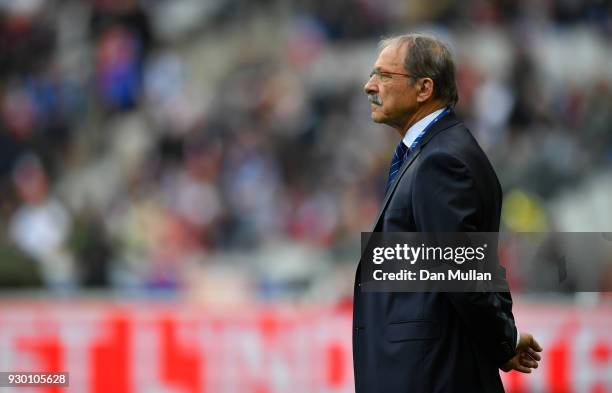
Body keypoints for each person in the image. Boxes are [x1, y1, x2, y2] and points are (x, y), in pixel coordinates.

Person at [353, 33, 543, 393]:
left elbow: (463, 272)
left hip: (431, 376)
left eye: (384, 75)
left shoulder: (440, 161)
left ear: (424, 88)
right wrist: (504, 336)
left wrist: (504, 339)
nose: (369, 86)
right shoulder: (438, 152)